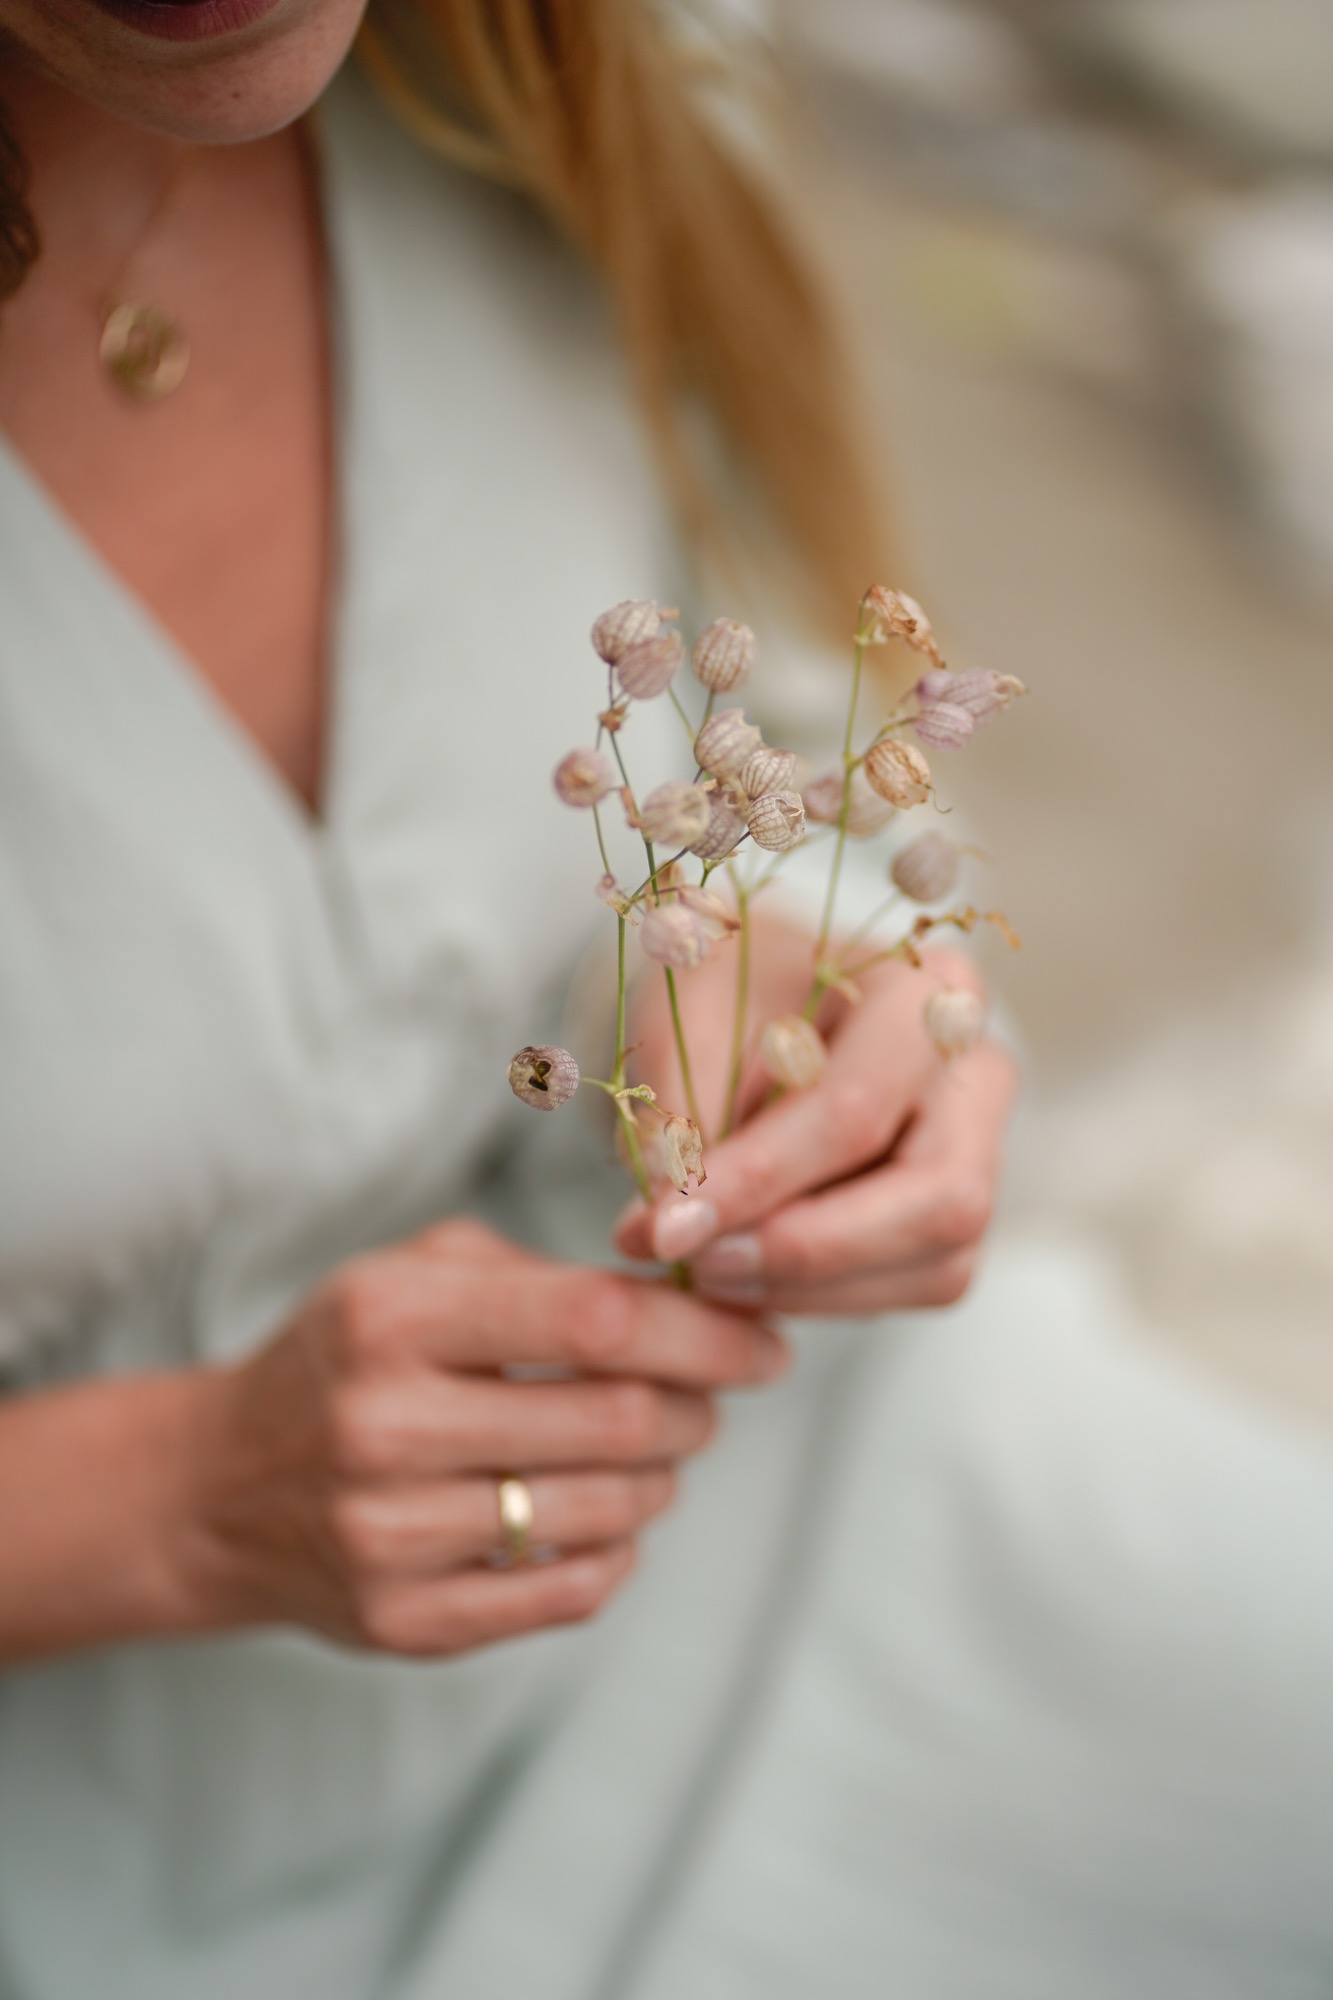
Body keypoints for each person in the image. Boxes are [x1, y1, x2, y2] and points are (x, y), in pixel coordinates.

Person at [4, 6, 1333, 1998]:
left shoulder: (562, 74)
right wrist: (175, 1502)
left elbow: (766, 695)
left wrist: (823, 967)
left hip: (769, 1478)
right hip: (112, 1826)